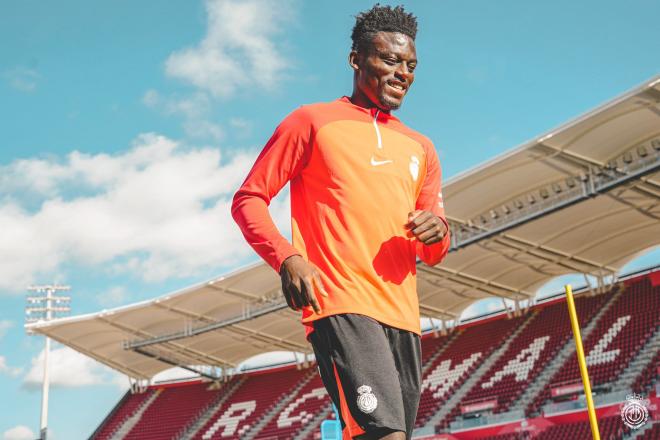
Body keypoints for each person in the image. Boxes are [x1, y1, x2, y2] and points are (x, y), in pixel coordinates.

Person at [231, 5, 450, 439]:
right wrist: (287, 258)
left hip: (403, 316)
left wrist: (439, 231)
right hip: (341, 302)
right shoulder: (311, 122)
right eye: (389, 60)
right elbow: (249, 199)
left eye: (409, 65)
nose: (402, 72)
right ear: (356, 59)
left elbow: (435, 250)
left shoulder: (421, 148)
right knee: (383, 434)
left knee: (375, 434)